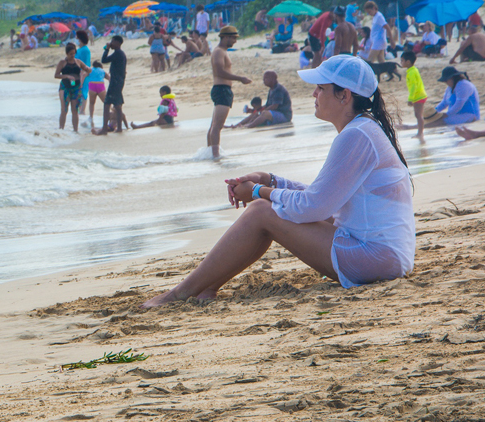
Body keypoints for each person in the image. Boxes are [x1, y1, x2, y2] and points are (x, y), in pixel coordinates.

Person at [145, 55, 413, 307]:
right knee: (266, 207)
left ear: (344, 95)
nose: (313, 94)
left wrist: (260, 191)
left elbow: (315, 206)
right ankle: (206, 286)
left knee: (262, 211)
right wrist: (270, 180)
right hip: (382, 253)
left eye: (320, 88)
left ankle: (180, 293)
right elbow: (323, 199)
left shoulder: (357, 135)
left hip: (377, 259)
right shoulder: (363, 129)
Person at [206, 25, 252, 157]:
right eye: (233, 38)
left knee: (214, 125)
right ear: (225, 37)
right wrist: (240, 78)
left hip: (222, 90)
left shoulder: (222, 51)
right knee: (217, 126)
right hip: (221, 90)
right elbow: (219, 71)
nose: (235, 41)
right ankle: (215, 156)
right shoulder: (219, 51)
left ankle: (210, 153)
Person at [93, 35, 127, 135]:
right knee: (117, 105)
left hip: (115, 82)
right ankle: (119, 128)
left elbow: (104, 60)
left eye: (112, 41)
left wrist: (107, 49)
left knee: (107, 104)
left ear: (118, 43)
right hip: (119, 82)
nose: (111, 43)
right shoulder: (120, 54)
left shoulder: (118, 53)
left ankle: (104, 129)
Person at [55, 41, 88, 132]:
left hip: (76, 88)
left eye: (74, 53)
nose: (72, 55)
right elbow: (56, 75)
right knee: (64, 110)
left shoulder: (78, 62)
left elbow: (88, 69)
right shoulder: (62, 62)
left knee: (75, 110)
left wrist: (83, 75)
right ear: (67, 53)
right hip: (65, 87)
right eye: (70, 54)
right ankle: (61, 130)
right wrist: (66, 76)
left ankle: (75, 131)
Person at [399, 50, 426, 139]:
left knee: (418, 115)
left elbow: (414, 86)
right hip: (419, 95)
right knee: (417, 115)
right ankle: (420, 132)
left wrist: (411, 98)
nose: (401, 62)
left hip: (418, 96)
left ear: (408, 62)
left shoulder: (411, 72)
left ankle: (420, 133)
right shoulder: (413, 70)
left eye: (402, 60)